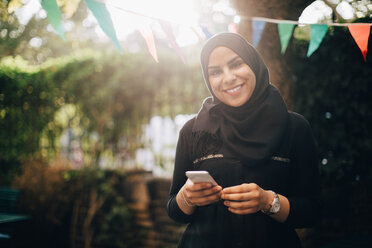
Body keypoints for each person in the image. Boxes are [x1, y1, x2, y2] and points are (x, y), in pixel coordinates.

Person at [166, 32, 321, 248]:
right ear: (208, 80)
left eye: (236, 64)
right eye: (216, 72)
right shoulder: (193, 131)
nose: (228, 77)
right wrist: (187, 197)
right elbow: (175, 211)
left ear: (253, 64)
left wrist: (268, 201)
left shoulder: (294, 127)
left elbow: (312, 212)